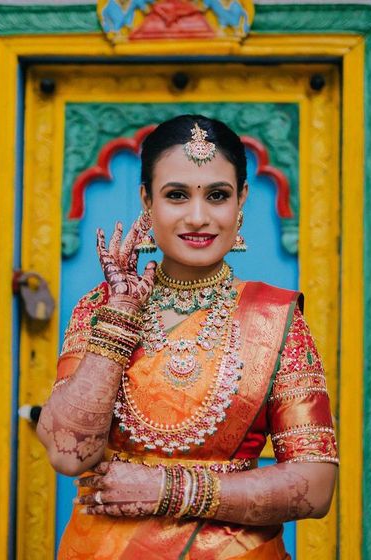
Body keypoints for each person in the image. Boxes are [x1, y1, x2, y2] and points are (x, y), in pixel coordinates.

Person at [37, 114, 338, 559]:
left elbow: (316, 486)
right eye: (176, 195)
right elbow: (68, 455)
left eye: (217, 196)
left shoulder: (276, 320)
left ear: (241, 202)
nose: (198, 217)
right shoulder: (102, 307)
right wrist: (119, 319)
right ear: (146, 200)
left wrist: (166, 489)